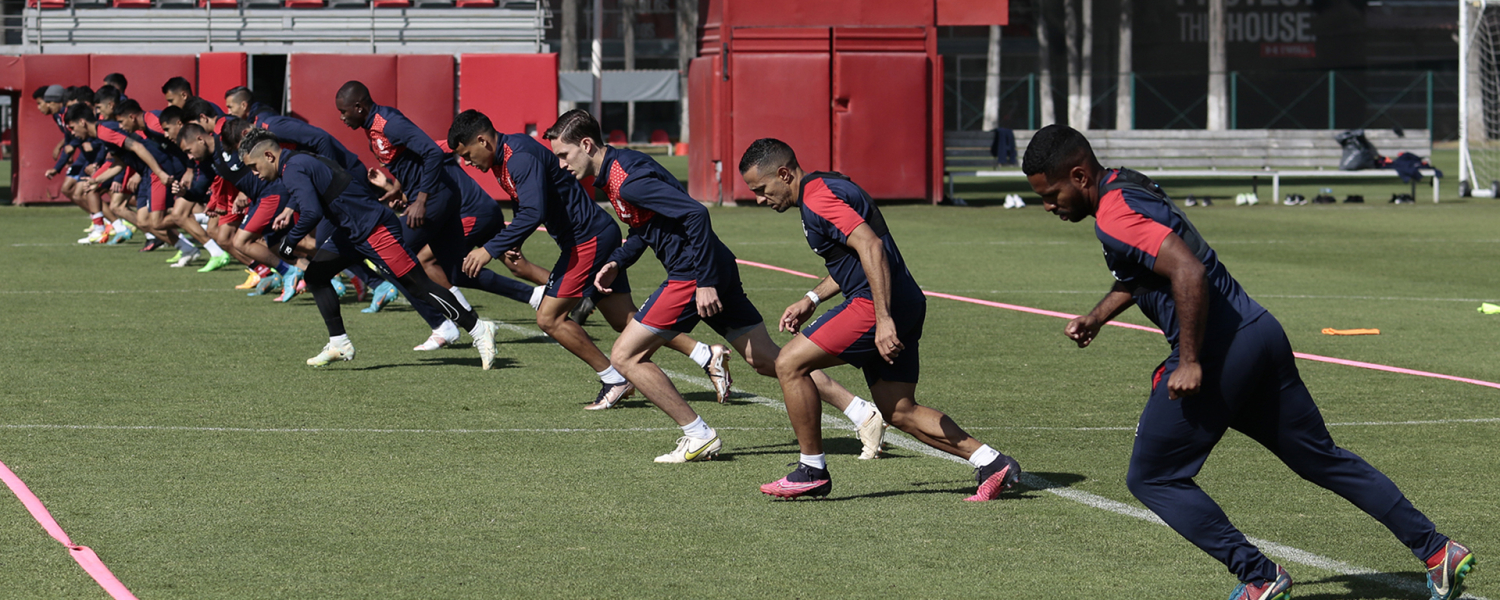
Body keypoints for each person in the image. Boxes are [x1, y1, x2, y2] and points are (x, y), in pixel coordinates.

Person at [1021, 124, 1474, 600]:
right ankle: (1439, 550)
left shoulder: (1112, 215)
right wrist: (1097, 316)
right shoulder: (1127, 184)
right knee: (1322, 459)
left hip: (1219, 355)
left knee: (1153, 477)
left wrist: (1191, 360)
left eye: (1052, 195)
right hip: (1258, 332)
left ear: (1079, 174)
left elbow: (1187, 269)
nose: (1049, 206)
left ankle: (1258, 576)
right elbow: (1144, 272)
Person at [540, 110, 885, 462]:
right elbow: (645, 224)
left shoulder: (627, 179)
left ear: (586, 144)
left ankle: (698, 435)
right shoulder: (619, 171)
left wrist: (704, 282)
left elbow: (695, 213)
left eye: (564, 155)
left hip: (693, 274)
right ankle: (862, 413)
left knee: (625, 356)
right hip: (711, 267)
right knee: (769, 360)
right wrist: (618, 261)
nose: (562, 164)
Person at [738, 138, 1021, 501]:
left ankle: (811, 470)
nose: (761, 199)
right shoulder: (826, 186)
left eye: (762, 190)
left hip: (876, 307)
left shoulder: (818, 199)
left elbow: (871, 246)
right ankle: (992, 462)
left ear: (784, 173)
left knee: (788, 363)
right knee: (899, 410)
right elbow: (856, 259)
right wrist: (812, 298)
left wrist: (883, 319)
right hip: (902, 301)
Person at [448, 109, 731, 409]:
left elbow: (534, 212)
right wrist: (512, 242)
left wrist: (488, 249)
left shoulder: (518, 156)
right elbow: (528, 204)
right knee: (624, 320)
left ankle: (615, 379)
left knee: (549, 318)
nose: (466, 162)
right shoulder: (505, 157)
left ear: (483, 141)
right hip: (593, 234)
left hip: (587, 239)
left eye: (467, 154)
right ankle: (705, 354)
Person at [238, 128, 500, 368]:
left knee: (418, 285)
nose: (255, 173)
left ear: (270, 155)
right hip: (352, 232)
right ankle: (339, 343)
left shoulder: (293, 167)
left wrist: (289, 243)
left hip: (373, 230)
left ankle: (478, 328)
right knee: (315, 276)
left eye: (254, 166)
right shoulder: (298, 160)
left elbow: (312, 212)